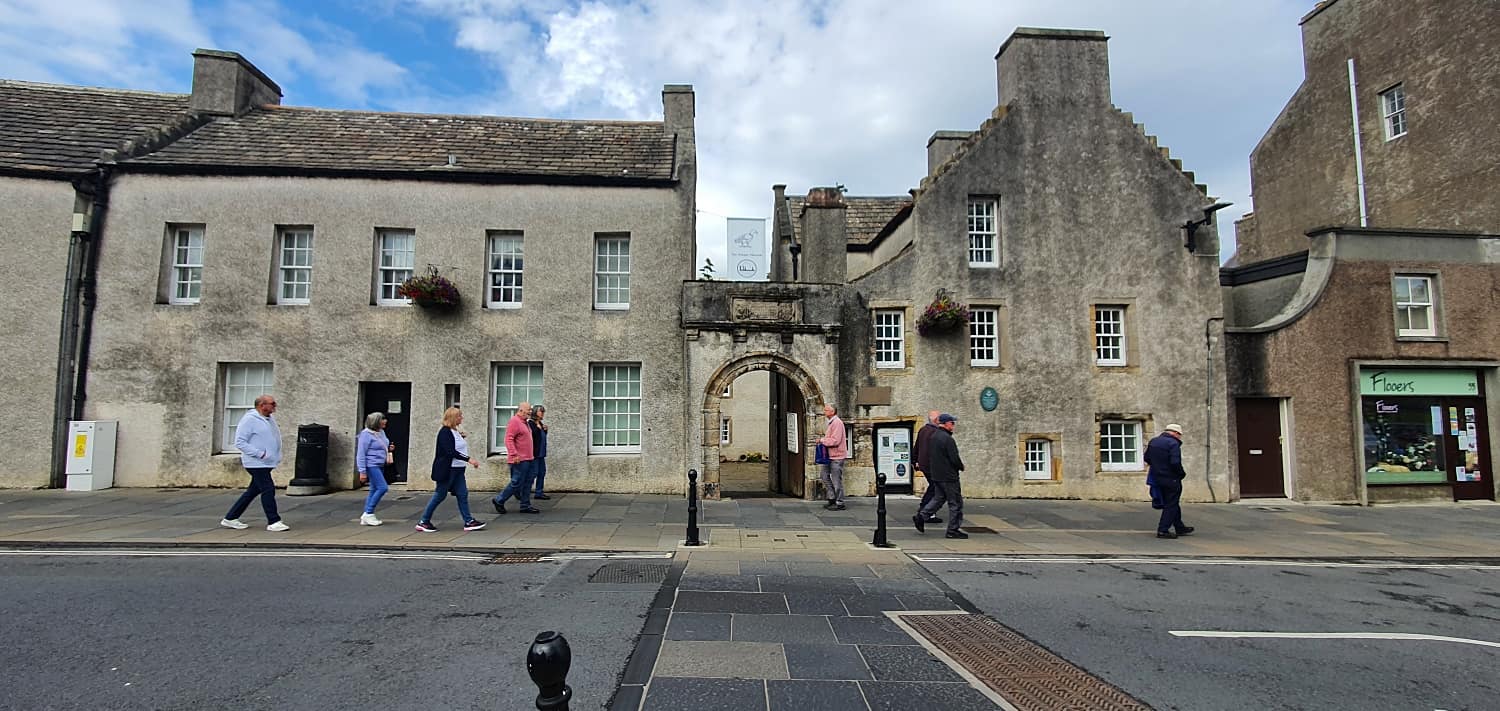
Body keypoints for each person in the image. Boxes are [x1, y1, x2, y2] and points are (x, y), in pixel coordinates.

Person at [220, 394, 289, 532]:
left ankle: (230, 518)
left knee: (252, 491)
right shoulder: (249, 420)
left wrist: (274, 455)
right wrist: (260, 454)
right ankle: (273, 520)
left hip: (266, 462)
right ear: (262, 405)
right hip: (256, 462)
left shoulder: (269, 419)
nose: (275, 406)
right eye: (272, 404)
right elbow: (240, 442)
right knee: (268, 489)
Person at [415, 407, 486, 532]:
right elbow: (450, 451)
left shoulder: (455, 431)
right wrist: (469, 459)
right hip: (448, 470)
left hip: (458, 469)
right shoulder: (445, 432)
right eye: (459, 416)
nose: (461, 418)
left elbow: (456, 447)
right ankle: (424, 521)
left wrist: (461, 439)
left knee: (463, 494)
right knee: (440, 495)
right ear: (453, 418)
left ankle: (468, 521)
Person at [913, 414, 967, 539]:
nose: (953, 425)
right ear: (945, 423)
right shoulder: (947, 439)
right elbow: (954, 458)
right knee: (956, 503)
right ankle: (953, 530)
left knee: (938, 498)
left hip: (937, 474)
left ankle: (922, 516)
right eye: (952, 423)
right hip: (948, 476)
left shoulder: (934, 436)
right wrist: (961, 466)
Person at [1146, 423, 1194, 539]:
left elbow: (1146, 458)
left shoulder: (1154, 441)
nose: (1180, 438)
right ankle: (1163, 530)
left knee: (1172, 502)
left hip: (1157, 477)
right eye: (1180, 435)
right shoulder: (1173, 444)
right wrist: (1181, 474)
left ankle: (1179, 526)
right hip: (1170, 478)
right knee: (1171, 504)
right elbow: (1175, 462)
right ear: (1176, 433)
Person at [492, 401, 540, 514]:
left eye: (530, 409)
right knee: (516, 482)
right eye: (528, 410)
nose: (530, 412)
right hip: (519, 459)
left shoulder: (525, 422)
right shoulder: (515, 421)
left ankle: (525, 505)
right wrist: (514, 454)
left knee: (528, 482)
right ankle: (499, 500)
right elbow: (509, 439)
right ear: (521, 410)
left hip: (529, 458)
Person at [355, 412, 394, 526]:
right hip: (372, 465)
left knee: (373, 489)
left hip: (380, 464)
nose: (385, 421)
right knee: (382, 488)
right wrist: (362, 471)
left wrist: (389, 448)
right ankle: (369, 513)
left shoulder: (381, 432)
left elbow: (382, 444)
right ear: (376, 422)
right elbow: (361, 454)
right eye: (382, 420)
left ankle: (366, 515)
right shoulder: (365, 435)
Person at [911, 410, 943, 524]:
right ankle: (924, 511)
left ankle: (926, 511)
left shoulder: (923, 430)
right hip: (932, 466)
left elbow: (917, 446)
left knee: (934, 487)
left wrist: (914, 461)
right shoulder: (934, 432)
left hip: (924, 465)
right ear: (936, 420)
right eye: (940, 419)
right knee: (935, 488)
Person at [817, 403, 848, 510]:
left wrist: (822, 440)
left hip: (837, 456)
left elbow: (835, 441)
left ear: (832, 412)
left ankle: (840, 502)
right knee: (824, 475)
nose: (824, 411)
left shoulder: (837, 423)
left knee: (836, 480)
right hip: (829, 456)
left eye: (826, 410)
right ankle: (831, 498)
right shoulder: (832, 423)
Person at [530, 405, 550, 500]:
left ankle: (539, 492)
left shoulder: (540, 424)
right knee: (533, 473)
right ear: (535, 413)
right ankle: (523, 491)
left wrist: (545, 431)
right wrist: (538, 428)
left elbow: (541, 437)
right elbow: (533, 437)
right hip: (534, 454)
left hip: (541, 453)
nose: (542, 413)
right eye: (540, 411)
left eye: (543, 412)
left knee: (542, 472)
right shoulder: (531, 424)